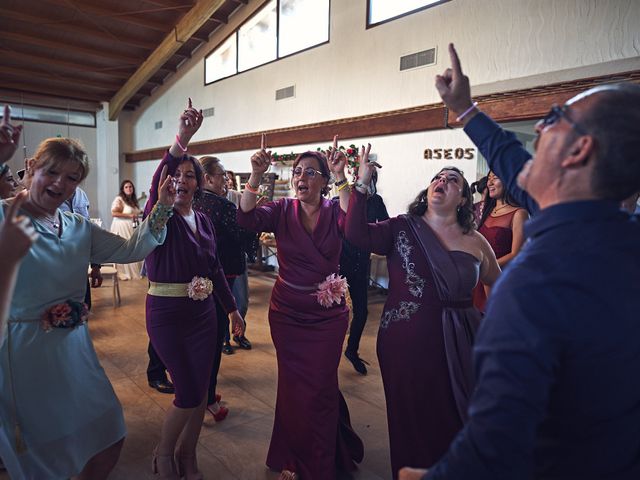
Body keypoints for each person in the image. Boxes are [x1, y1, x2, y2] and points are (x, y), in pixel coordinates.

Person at [398, 43, 640, 480]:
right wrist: (464, 109)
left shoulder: (536, 287)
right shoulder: (606, 227)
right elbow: (512, 161)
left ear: (578, 151)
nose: (541, 127)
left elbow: (495, 447)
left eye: (554, 118)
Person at [0, 130, 170, 479]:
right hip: (24, 353)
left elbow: (129, 250)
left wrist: (163, 206)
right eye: (51, 172)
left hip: (74, 348)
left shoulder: (78, 227)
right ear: (31, 168)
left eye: (72, 178)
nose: (60, 183)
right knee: (41, 447)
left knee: (109, 428)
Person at [345, 157, 500, 479]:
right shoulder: (401, 227)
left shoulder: (476, 241)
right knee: (412, 418)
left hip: (463, 341)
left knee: (458, 416)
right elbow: (356, 234)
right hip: (406, 341)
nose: (442, 180)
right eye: (438, 176)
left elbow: (499, 285)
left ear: (463, 200)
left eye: (453, 179)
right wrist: (361, 183)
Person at [237, 135, 363, 480]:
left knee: (320, 386)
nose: (301, 177)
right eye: (297, 172)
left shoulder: (336, 211)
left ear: (323, 181)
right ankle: (292, 455)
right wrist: (255, 176)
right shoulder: (281, 210)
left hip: (327, 316)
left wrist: (342, 175)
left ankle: (321, 461)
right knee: (293, 388)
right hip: (287, 314)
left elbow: (355, 224)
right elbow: (246, 218)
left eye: (311, 172)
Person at [144, 99, 244, 480]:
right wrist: (183, 138)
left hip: (205, 317)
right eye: (177, 176)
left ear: (199, 185)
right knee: (185, 391)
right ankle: (164, 453)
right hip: (167, 314)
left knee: (201, 390)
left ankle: (189, 456)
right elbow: (160, 180)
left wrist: (232, 308)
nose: (182, 181)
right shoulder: (160, 211)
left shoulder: (202, 219)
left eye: (190, 177)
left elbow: (215, 266)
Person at [194, 155, 255, 420]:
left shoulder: (193, 202)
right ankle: (207, 399)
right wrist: (250, 214)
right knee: (215, 337)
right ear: (207, 178)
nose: (226, 180)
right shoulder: (221, 205)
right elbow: (244, 234)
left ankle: (205, 392)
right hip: (221, 276)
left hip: (198, 278)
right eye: (222, 175)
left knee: (205, 339)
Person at [340, 169, 389, 374]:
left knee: (362, 311)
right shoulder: (344, 198)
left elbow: (386, 227)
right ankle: (326, 350)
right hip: (339, 261)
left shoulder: (376, 201)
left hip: (360, 262)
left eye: (371, 180)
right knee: (333, 311)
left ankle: (352, 350)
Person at [472, 170, 528, 311]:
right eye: (489, 178)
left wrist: (487, 268)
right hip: (480, 279)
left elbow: (517, 254)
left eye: (495, 178)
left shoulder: (519, 213)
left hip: (501, 279)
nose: (489, 182)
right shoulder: (487, 211)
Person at [110, 179, 144, 280]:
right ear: (123, 189)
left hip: (131, 227)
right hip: (121, 226)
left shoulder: (133, 201)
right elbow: (114, 213)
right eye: (126, 187)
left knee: (133, 248)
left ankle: (135, 271)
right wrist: (130, 215)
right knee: (125, 248)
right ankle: (122, 272)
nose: (129, 189)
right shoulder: (119, 199)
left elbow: (136, 213)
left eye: (130, 187)